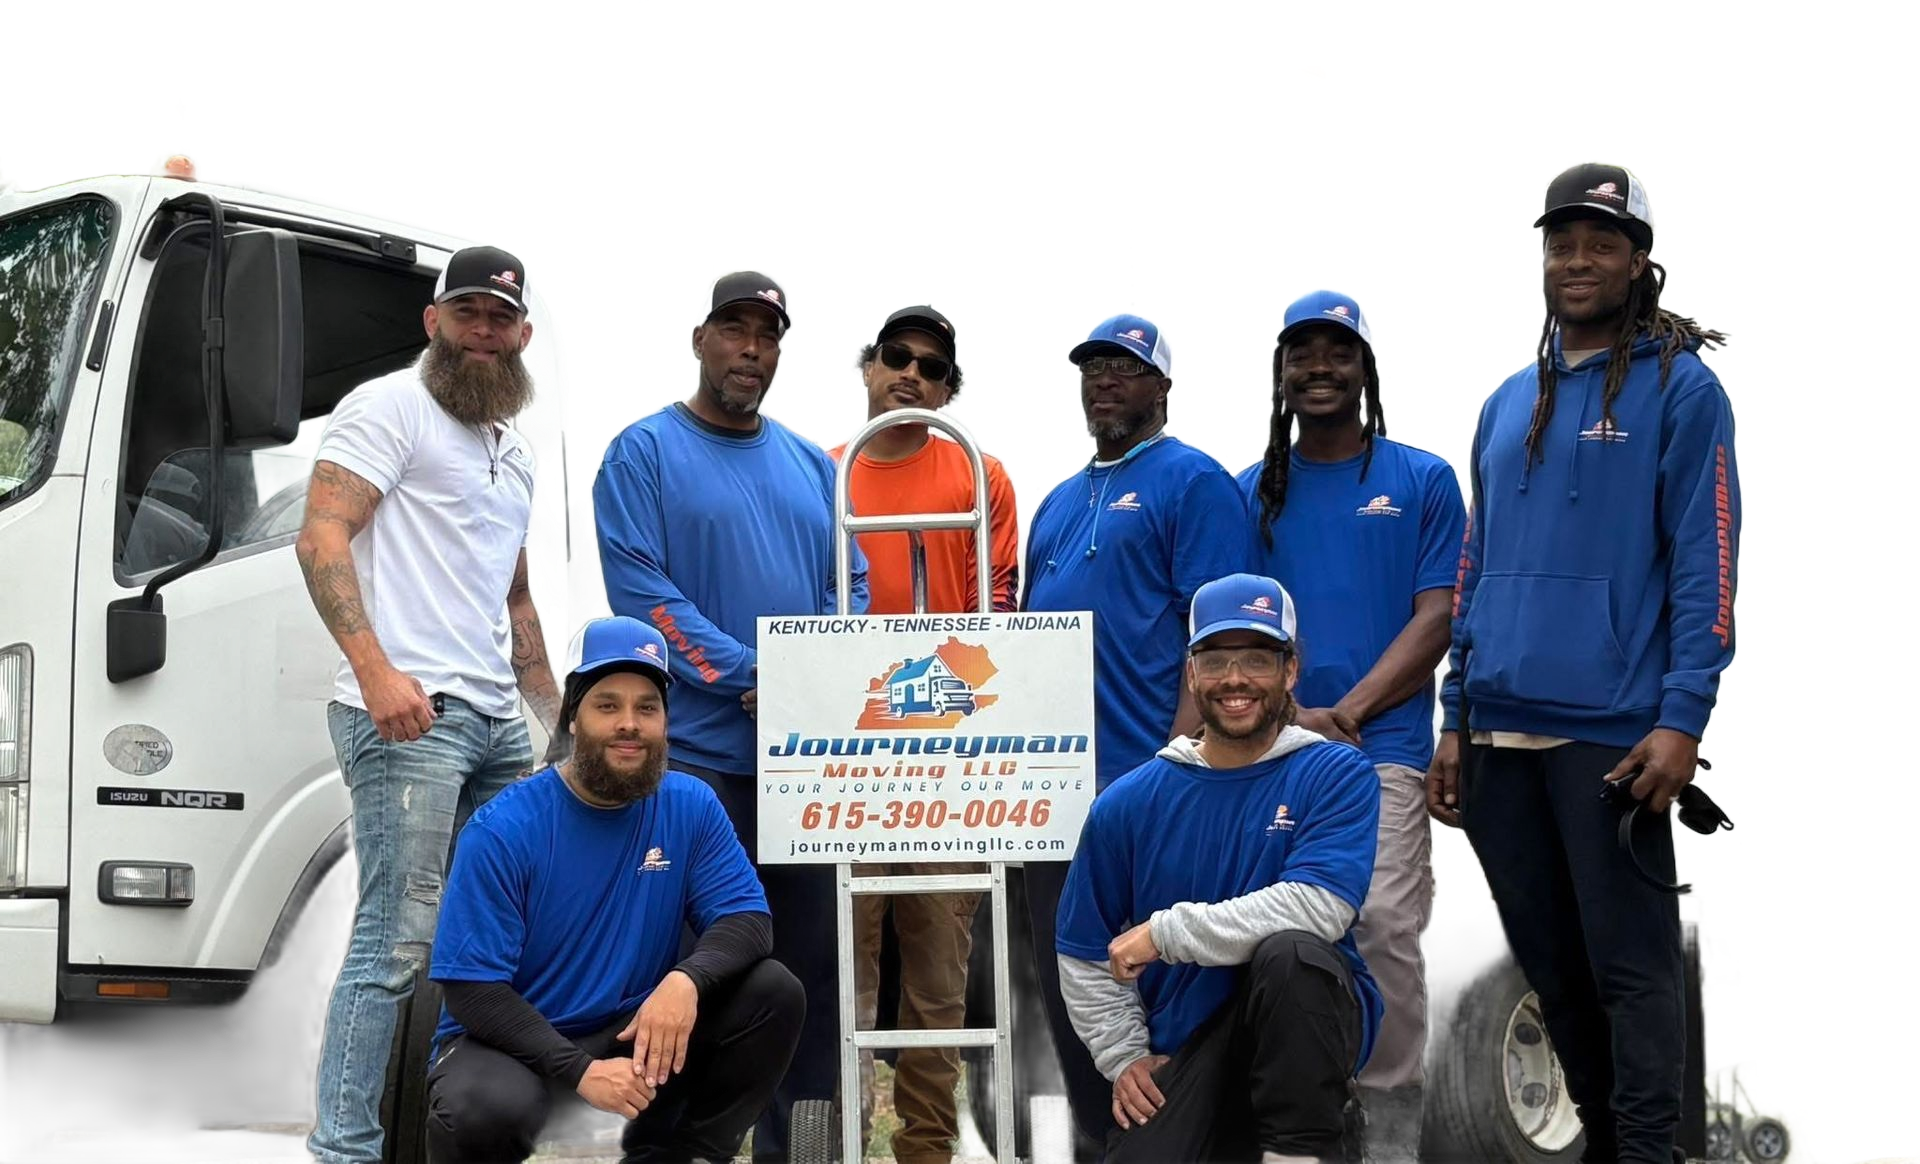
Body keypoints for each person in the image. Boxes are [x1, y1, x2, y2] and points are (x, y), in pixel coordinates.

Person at [1429, 159, 1741, 1164]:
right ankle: (1611, 1148)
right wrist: (1453, 721)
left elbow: (1710, 563)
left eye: (1600, 241)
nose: (1576, 259)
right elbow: (1475, 569)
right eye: (1559, 242)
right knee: (1552, 978)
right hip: (1499, 742)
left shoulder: (1687, 392)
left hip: (1612, 735)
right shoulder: (1503, 401)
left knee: (1633, 976)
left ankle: (1654, 1156)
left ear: (1640, 258)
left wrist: (1683, 716)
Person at [587, 266, 868, 1164]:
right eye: (736, 329)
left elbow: (850, 583)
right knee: (676, 976)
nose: (753, 349)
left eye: (770, 336)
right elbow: (644, 595)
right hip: (691, 767)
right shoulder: (640, 451)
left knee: (806, 980)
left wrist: (811, 675)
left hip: (802, 766)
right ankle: (664, 1149)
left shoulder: (810, 462)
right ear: (700, 337)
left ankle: (806, 1148)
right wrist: (761, 670)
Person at [297, 245, 564, 1164]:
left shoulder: (516, 453)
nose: (482, 332)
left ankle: (456, 1138)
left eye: (499, 319)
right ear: (434, 321)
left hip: (494, 723)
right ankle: (345, 1151)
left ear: (524, 334)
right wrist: (375, 672)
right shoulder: (389, 407)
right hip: (409, 715)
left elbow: (516, 600)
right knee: (395, 942)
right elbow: (322, 531)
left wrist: (557, 725)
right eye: (467, 314)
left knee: (492, 945)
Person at [423, 615, 805, 1164]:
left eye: (646, 707)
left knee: (772, 993)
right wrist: (578, 1070)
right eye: (608, 705)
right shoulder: (503, 829)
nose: (630, 724)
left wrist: (685, 980)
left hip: (632, 1046)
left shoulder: (689, 805)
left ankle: (683, 1157)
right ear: (572, 718)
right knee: (483, 1111)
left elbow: (747, 920)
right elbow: (474, 990)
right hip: (515, 1052)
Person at [1239, 286, 1466, 1162]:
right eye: (1301, 353)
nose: (1319, 367)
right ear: (1281, 374)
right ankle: (1296, 1121)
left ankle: (1388, 1123)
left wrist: (1353, 710)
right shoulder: (1249, 490)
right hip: (1270, 754)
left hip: (1382, 752)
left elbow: (1439, 613)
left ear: (1367, 368)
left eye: (1337, 352)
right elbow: (1231, 625)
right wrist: (1289, 713)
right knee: (1276, 938)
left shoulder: (1421, 478)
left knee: (1378, 927)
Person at [1022, 308, 1252, 1156]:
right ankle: (1108, 1144)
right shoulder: (1055, 502)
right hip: (1052, 804)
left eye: (1124, 366)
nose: (1104, 380)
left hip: (1153, 792)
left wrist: (1183, 767)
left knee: (1166, 994)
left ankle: (1176, 1144)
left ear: (1162, 384)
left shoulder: (1193, 481)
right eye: (1092, 367)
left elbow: (1220, 645)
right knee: (1079, 997)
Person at [1056, 572, 1384, 1164]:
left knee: (1293, 955)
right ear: (1191, 674)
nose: (1235, 679)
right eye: (1216, 660)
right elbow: (1082, 949)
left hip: (1303, 1040)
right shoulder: (1128, 802)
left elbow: (1320, 905)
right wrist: (1124, 1055)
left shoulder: (1335, 773)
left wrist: (1164, 933)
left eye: (1257, 659)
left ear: (1290, 672)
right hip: (1186, 1047)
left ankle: (1300, 1153)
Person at [827, 302, 1022, 1164]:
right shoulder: (821, 471)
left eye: (934, 367)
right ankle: (839, 1133)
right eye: (897, 356)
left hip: (953, 754)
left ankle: (928, 1147)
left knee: (942, 959)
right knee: (847, 958)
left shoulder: (985, 474)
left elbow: (1005, 607)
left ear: (951, 389)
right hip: (847, 752)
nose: (913, 374)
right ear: (867, 365)